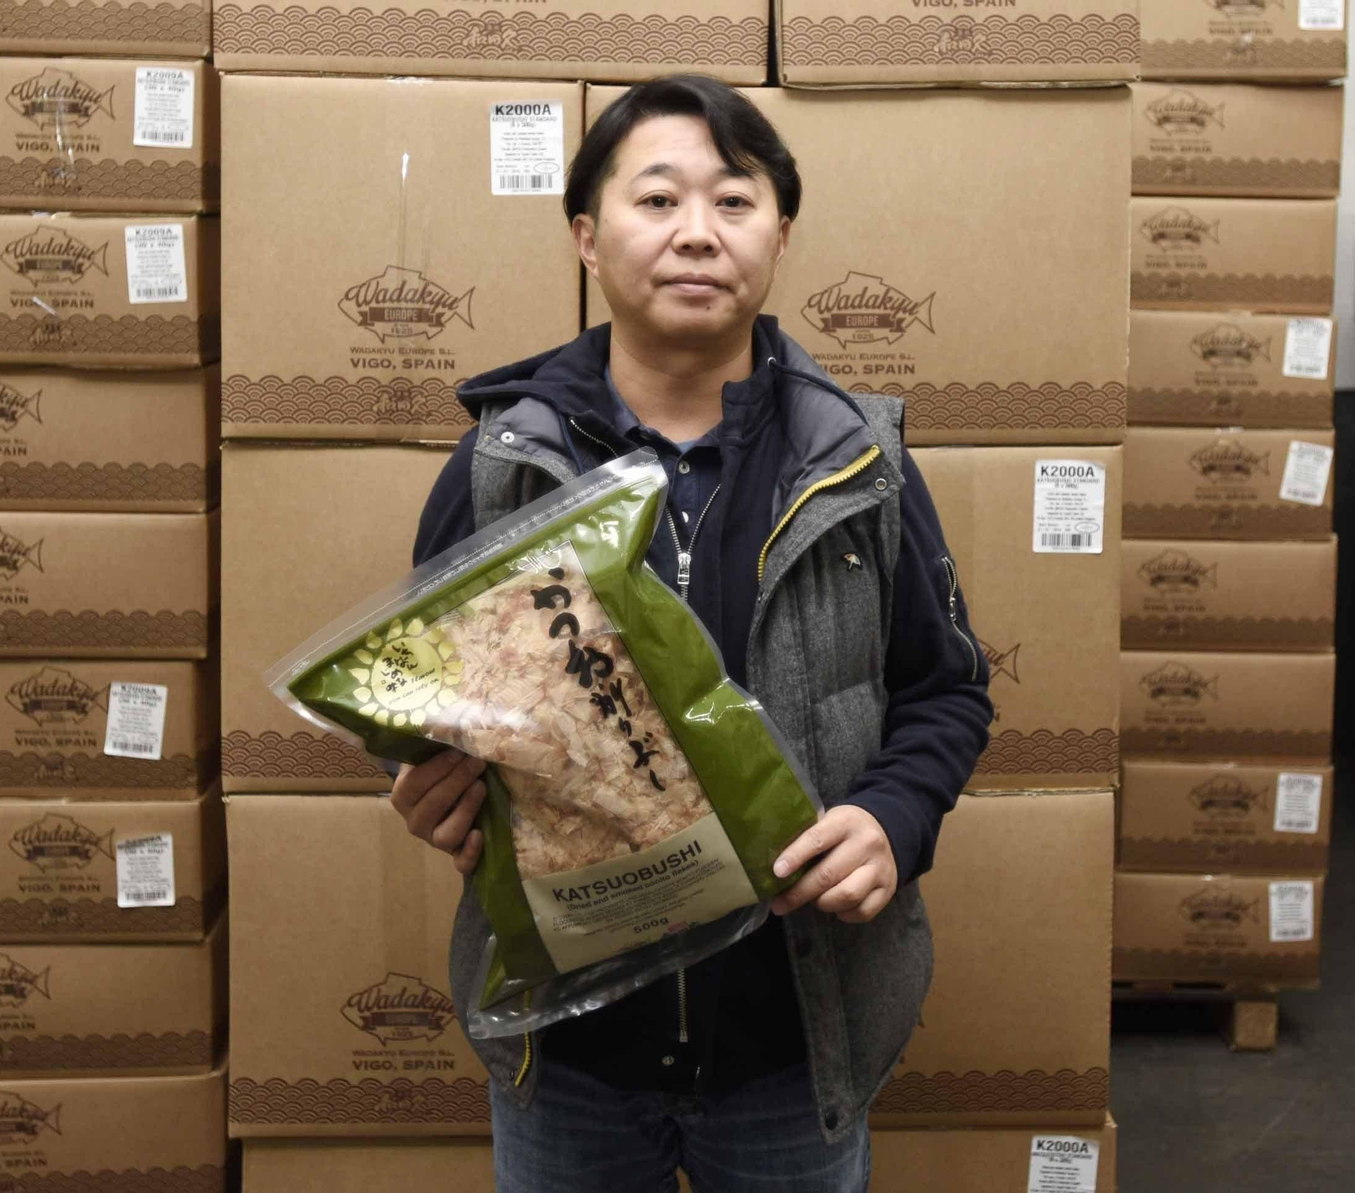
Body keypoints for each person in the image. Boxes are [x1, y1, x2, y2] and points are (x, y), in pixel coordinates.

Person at [389, 75, 993, 1193]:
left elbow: (948, 690)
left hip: (794, 1035)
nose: (697, 234)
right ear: (586, 235)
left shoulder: (857, 462)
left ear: (779, 231)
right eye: (656, 200)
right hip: (568, 1050)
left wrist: (889, 817)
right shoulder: (503, 467)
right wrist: (434, 779)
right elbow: (421, 698)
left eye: (734, 200)